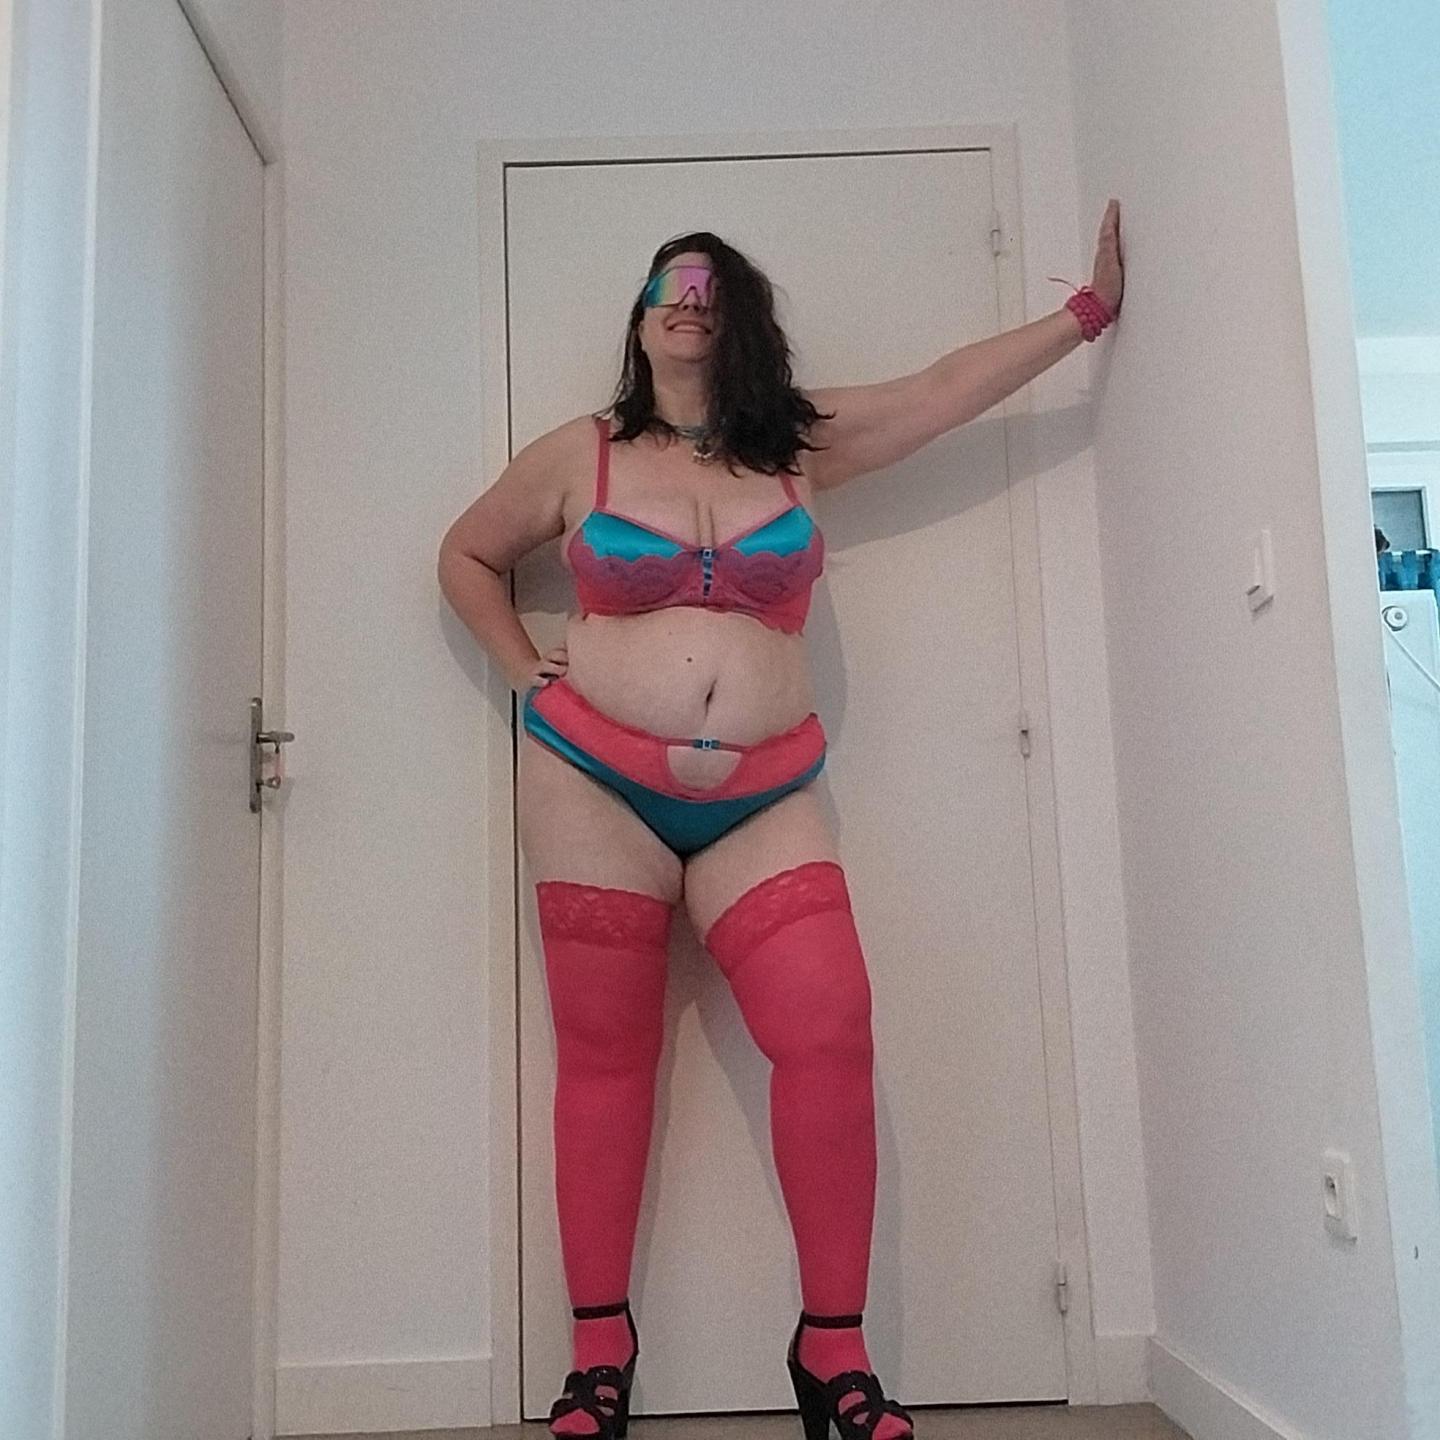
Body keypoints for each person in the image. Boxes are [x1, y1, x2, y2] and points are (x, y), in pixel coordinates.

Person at [438, 201, 1124, 1440]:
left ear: (738, 318)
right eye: (668, 283)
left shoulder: (793, 444)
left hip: (766, 792)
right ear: (640, 317)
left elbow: (940, 390)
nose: (687, 299)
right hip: (592, 784)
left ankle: (833, 1354)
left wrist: (1084, 315)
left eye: (710, 286)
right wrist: (521, 667)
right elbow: (467, 554)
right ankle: (599, 1356)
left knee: (830, 1029)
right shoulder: (579, 454)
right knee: (604, 1059)